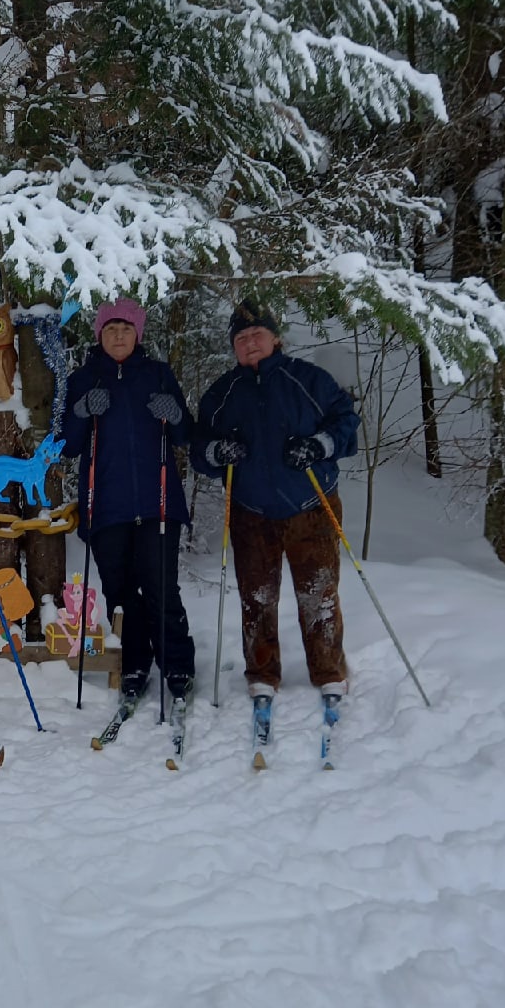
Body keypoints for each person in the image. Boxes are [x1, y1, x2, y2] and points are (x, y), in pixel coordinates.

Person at [191, 301, 360, 705]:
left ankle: (328, 670)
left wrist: (317, 445)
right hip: (252, 512)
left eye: (257, 335)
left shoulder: (308, 380)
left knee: (318, 594)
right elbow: (198, 448)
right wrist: (218, 451)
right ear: (233, 347)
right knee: (257, 597)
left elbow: (346, 423)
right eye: (241, 338)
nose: (250, 343)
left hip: (311, 505)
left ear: (275, 338)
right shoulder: (223, 393)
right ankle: (262, 672)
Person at [62, 297, 196, 703]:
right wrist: (82, 410)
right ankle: (134, 661)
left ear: (138, 334)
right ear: (99, 334)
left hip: (158, 504)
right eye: (110, 329)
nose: (118, 336)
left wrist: (174, 414)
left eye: (126, 330)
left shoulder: (156, 374)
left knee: (161, 588)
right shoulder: (84, 379)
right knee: (120, 592)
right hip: (106, 507)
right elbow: (67, 445)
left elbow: (186, 436)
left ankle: (177, 663)